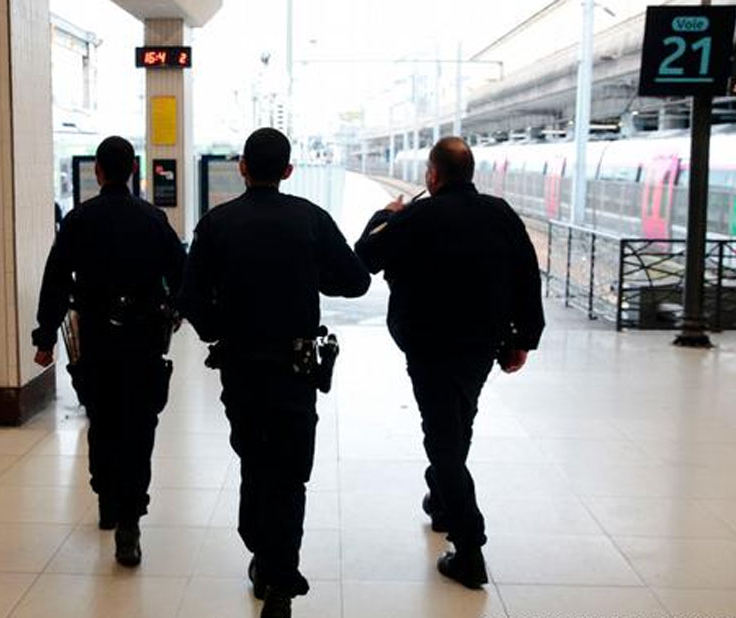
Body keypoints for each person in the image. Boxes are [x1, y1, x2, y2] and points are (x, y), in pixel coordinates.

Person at [179, 128, 370, 618]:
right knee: (289, 475)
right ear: (288, 171)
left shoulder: (217, 224)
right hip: (296, 370)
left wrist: (218, 333)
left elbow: (191, 298)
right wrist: (315, 276)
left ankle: (263, 556)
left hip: (241, 368)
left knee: (254, 460)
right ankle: (279, 580)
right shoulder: (310, 219)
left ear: (243, 166)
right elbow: (356, 280)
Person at [354, 136, 545, 589]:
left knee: (443, 439)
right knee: (458, 420)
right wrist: (524, 338)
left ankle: (470, 549)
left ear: (433, 176)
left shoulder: (418, 216)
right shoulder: (501, 214)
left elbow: (363, 257)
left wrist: (387, 217)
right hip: (481, 344)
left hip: (429, 344)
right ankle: (442, 502)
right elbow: (527, 277)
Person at [32, 136, 185, 567]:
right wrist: (176, 311)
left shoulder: (80, 220)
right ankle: (130, 524)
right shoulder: (153, 219)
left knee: (102, 422)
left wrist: (45, 338)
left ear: (98, 172)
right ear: (133, 170)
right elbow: (181, 273)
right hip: (143, 342)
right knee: (139, 428)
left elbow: (56, 280)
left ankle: (106, 500)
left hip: (96, 340)